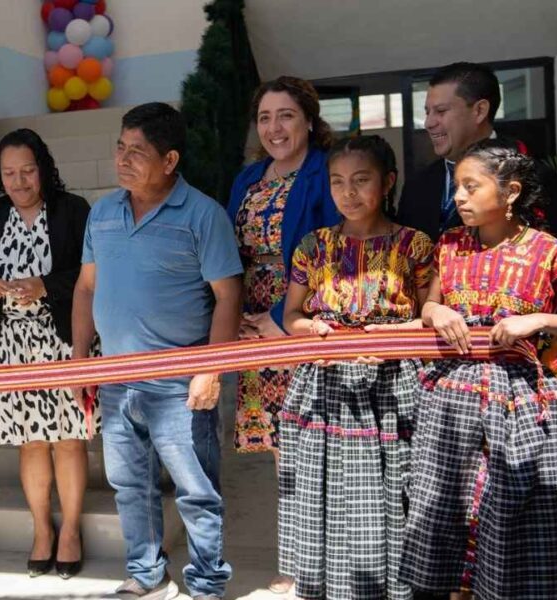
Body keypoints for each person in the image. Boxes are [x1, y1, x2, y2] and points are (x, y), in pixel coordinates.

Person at [400, 140, 557, 599]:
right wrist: (436, 313)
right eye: (457, 188)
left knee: (510, 517)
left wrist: (541, 319)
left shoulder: (549, 252)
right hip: (451, 403)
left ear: (509, 192)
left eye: (472, 186)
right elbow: (431, 303)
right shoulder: (449, 247)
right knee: (449, 515)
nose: (460, 198)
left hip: (524, 401)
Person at [72, 102, 243, 600]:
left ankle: (208, 583)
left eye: (137, 152)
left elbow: (228, 295)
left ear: (169, 161)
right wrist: (83, 358)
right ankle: (146, 574)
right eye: (120, 148)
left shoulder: (202, 215)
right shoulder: (102, 212)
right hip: (117, 378)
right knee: (130, 485)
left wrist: (211, 370)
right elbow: (85, 289)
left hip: (179, 381)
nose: (122, 160)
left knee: (196, 490)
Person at [278, 136, 433, 599]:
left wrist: (387, 341)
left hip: (393, 388)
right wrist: (311, 331)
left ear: (387, 183)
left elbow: (429, 320)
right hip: (325, 386)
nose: (348, 193)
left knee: (392, 492)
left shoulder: (415, 246)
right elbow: (291, 317)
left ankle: (393, 587)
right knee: (325, 491)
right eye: (337, 182)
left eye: (361, 180)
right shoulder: (314, 247)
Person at [0, 129, 94, 579]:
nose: (18, 181)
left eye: (27, 170)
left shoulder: (73, 211)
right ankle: (42, 530)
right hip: (11, 347)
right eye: (9, 173)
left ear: (44, 167)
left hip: (62, 340)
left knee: (68, 440)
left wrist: (44, 285)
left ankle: (70, 531)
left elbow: (90, 272)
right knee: (30, 441)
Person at [226, 76, 339, 596]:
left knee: (320, 448)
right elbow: (231, 255)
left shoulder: (326, 173)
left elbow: (338, 253)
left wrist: (279, 314)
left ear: (309, 120)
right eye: (265, 117)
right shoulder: (248, 178)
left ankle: (333, 560)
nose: (274, 127)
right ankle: (296, 564)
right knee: (282, 451)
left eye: (286, 115)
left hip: (301, 322)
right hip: (255, 331)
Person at [396, 62, 557, 241]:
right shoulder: (417, 185)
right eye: (427, 112)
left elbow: (545, 256)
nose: (429, 123)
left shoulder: (532, 176)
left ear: (479, 110)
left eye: (440, 111)